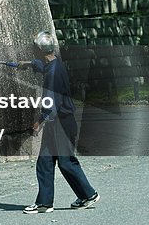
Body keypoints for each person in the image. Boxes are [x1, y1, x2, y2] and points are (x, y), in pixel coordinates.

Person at [18, 31, 99, 214]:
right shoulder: (53, 64)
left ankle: (88, 194)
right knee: (45, 161)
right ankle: (45, 203)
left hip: (61, 122)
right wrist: (29, 64)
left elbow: (50, 105)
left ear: (39, 49)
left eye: (33, 49)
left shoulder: (53, 73)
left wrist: (38, 123)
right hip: (58, 122)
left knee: (65, 162)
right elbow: (43, 66)